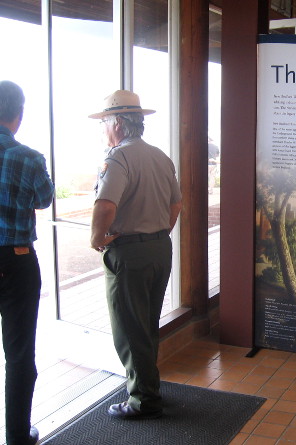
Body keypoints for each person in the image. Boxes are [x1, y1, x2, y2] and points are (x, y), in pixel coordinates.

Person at [89, 90, 182, 419]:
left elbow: (105, 204)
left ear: (117, 124)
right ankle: (150, 387)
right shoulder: (160, 156)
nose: (103, 130)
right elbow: (176, 204)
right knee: (147, 325)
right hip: (160, 249)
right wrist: (158, 234)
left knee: (129, 329)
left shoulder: (118, 158)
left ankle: (143, 399)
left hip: (129, 255)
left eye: (104, 123)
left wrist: (96, 237)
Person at [0, 80, 54, 445]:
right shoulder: (29, 157)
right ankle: (18, 435)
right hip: (15, 261)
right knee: (19, 353)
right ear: (18, 115)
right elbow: (45, 199)